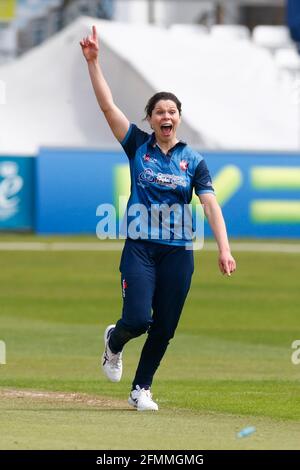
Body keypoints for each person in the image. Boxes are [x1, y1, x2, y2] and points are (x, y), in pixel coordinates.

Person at [80, 25, 236, 412]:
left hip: (179, 251)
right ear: (150, 120)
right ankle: (115, 342)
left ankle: (141, 389)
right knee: (137, 319)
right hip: (141, 248)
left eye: (172, 111)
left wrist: (224, 249)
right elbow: (107, 107)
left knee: (164, 327)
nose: (166, 116)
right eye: (159, 112)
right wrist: (94, 64)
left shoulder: (194, 161)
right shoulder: (137, 145)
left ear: (179, 118)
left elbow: (211, 205)